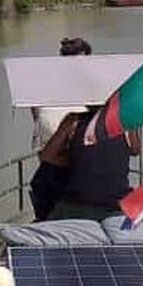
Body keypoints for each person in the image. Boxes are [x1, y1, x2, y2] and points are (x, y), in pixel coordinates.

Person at [38, 106, 141, 221]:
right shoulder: (123, 122)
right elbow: (136, 150)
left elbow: (47, 155)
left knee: (48, 220)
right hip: (117, 204)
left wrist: (75, 161)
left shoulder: (74, 121)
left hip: (78, 203)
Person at [28, 37, 91, 220]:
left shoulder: (41, 91)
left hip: (55, 170)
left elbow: (39, 128)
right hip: (70, 173)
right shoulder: (87, 94)